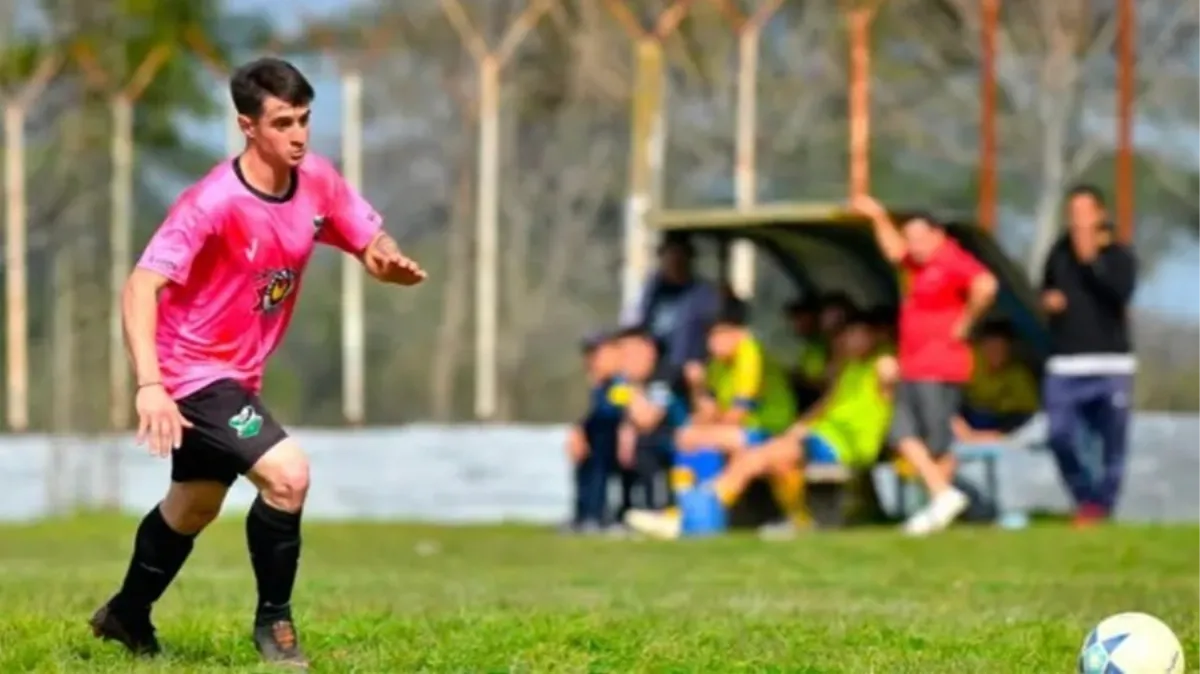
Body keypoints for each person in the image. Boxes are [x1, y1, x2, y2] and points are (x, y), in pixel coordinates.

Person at [89, 58, 427, 667]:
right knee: (288, 475)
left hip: (238, 375)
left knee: (194, 505)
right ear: (248, 126)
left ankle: (125, 614)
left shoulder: (316, 179)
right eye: (282, 123)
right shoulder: (211, 203)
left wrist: (388, 260)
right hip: (192, 373)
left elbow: (369, 242)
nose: (298, 135)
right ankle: (275, 625)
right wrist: (150, 386)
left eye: (304, 120)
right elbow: (140, 286)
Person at [626, 313, 897, 539]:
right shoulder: (850, 368)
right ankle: (796, 521)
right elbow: (826, 403)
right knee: (758, 457)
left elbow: (891, 374)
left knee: (756, 455)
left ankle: (695, 518)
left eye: (853, 333)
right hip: (818, 437)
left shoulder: (883, 363)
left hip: (845, 444)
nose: (845, 340)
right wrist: (799, 427)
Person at [852, 195, 997, 536]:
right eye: (910, 239)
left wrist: (966, 321)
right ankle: (942, 498)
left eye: (920, 239)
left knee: (935, 443)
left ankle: (937, 508)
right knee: (900, 432)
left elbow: (986, 285)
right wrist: (877, 215)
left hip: (940, 366)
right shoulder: (916, 263)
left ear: (937, 235)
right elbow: (892, 251)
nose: (913, 246)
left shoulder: (952, 260)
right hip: (914, 364)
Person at [1040, 184, 1136, 527]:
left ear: (1100, 215)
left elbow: (1120, 294)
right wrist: (1049, 302)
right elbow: (1045, 289)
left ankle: (1101, 507)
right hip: (1065, 363)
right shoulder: (1058, 253)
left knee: (1112, 444)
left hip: (1111, 363)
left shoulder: (1119, 256)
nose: (1078, 220)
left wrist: (1092, 260)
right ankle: (1085, 497)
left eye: (1085, 212)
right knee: (1060, 435)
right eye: (1073, 213)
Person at [671, 299, 802, 523]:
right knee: (688, 435)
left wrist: (710, 427)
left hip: (771, 428)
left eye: (720, 335)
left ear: (739, 333)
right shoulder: (717, 365)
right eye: (710, 336)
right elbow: (707, 415)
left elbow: (739, 412)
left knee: (696, 438)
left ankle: (697, 514)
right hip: (744, 432)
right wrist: (698, 387)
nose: (713, 343)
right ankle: (689, 507)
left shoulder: (749, 352)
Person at [614, 327, 690, 516]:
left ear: (649, 350)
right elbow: (626, 419)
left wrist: (632, 388)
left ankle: (658, 508)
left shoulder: (666, 374)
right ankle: (620, 512)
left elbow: (648, 419)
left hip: (681, 437)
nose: (625, 362)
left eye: (629, 354)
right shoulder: (622, 381)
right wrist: (625, 433)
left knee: (646, 444)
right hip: (654, 436)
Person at [622, 234, 720, 375]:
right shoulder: (651, 291)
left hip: (688, 370)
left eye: (679, 257)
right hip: (654, 370)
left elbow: (713, 333)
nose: (674, 263)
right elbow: (634, 326)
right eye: (669, 256)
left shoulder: (702, 294)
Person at [564, 332, 626, 534]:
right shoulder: (589, 385)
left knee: (599, 458)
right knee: (585, 466)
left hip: (612, 439)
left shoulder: (619, 383)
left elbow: (617, 412)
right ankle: (584, 515)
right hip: (595, 439)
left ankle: (597, 516)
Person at [953, 320, 1039, 441]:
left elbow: (1028, 414)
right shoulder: (968, 361)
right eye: (991, 347)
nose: (996, 353)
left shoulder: (1018, 374)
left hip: (999, 423)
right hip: (966, 418)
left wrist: (999, 434)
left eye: (1001, 348)